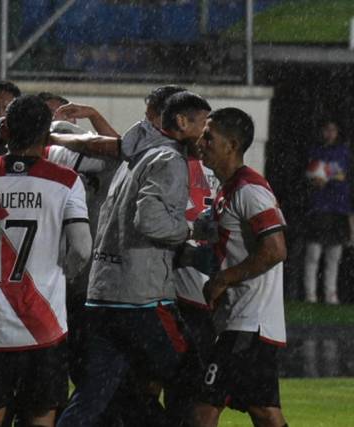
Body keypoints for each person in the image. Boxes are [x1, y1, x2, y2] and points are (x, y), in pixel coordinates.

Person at [56, 91, 211, 427]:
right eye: (203, 125)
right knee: (194, 380)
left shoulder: (136, 157)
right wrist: (192, 228)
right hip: (141, 299)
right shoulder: (169, 160)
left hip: (101, 296)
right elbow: (150, 221)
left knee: (94, 396)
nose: (206, 135)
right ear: (181, 122)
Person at [0, 95, 92, 427]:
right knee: (40, 415)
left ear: (5, 129)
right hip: (44, 321)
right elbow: (82, 249)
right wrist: (60, 277)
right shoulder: (65, 181)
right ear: (47, 133)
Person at [192, 107, 289, 427]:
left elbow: (275, 250)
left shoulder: (249, 188)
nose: (201, 142)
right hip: (243, 321)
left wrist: (223, 279)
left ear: (232, 145)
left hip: (250, 322)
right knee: (264, 412)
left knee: (204, 407)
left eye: (209, 137)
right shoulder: (230, 189)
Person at [302, 119, 352, 304]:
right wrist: (318, 179)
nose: (329, 134)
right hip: (319, 209)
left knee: (334, 254)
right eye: (326, 130)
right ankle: (310, 295)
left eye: (333, 130)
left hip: (338, 209)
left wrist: (328, 177)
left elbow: (343, 176)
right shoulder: (315, 152)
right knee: (313, 253)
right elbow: (310, 176)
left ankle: (331, 294)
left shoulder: (343, 153)